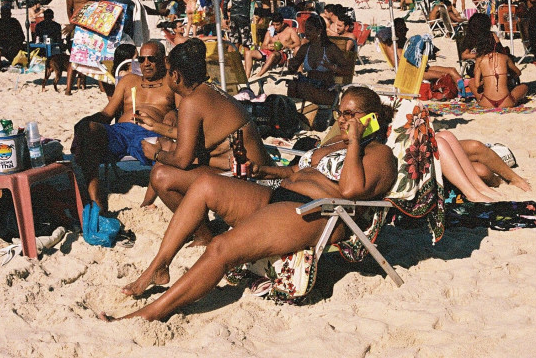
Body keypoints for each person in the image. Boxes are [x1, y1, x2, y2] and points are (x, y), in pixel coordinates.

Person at [105, 87, 398, 318]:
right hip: (281, 194)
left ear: (371, 117)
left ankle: (151, 313)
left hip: (319, 214)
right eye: (339, 113)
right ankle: (158, 267)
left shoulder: (380, 155)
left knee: (222, 248)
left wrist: (357, 141)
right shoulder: (337, 143)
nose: (341, 120)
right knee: (206, 185)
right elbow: (296, 170)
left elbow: (348, 190)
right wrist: (265, 171)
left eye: (349, 114)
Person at [133, 39, 273, 246]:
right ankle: (203, 227)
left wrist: (154, 154)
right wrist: (155, 126)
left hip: (251, 183)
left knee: (160, 175)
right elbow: (195, 135)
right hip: (256, 175)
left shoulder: (191, 102)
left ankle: (206, 236)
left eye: (168, 71)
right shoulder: (207, 91)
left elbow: (182, 160)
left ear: (176, 76)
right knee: (169, 153)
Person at [72, 40, 176, 212]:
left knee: (166, 147)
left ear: (163, 60)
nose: (146, 63)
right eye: (141, 59)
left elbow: (180, 112)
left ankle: (146, 203)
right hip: (120, 132)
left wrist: (170, 116)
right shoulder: (128, 81)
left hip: (150, 132)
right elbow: (107, 114)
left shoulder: (171, 83)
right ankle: (97, 203)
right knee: (87, 130)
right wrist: (86, 124)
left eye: (151, 59)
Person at [286, 14, 350, 127]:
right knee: (292, 85)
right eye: (306, 29)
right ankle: (293, 120)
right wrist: (290, 64)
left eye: (310, 30)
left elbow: (347, 71)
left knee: (301, 87)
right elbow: (292, 69)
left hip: (327, 91)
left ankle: (299, 119)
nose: (306, 33)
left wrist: (332, 67)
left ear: (319, 30)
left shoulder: (331, 49)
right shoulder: (306, 48)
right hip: (309, 88)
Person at [377, 18, 462, 85]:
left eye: (405, 30)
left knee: (452, 70)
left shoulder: (405, 41)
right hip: (412, 73)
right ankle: (460, 92)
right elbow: (398, 66)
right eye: (401, 31)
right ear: (395, 31)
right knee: (443, 76)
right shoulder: (392, 46)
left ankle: (466, 90)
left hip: (422, 67)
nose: (404, 33)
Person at [472, 31, 528, 109]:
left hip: (486, 102)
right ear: (494, 44)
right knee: (524, 86)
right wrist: (507, 78)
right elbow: (518, 72)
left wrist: (485, 81)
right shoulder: (505, 57)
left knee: (471, 82)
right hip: (506, 101)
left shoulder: (480, 60)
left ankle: (480, 99)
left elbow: (477, 85)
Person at [243, 12, 302, 77]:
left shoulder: (289, 31)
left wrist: (288, 46)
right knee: (248, 53)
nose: (275, 27)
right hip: (267, 52)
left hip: (280, 54)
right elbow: (263, 46)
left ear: (282, 23)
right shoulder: (270, 31)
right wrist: (268, 47)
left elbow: (298, 42)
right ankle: (247, 76)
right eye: (274, 25)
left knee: (273, 55)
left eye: (277, 25)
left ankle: (258, 75)